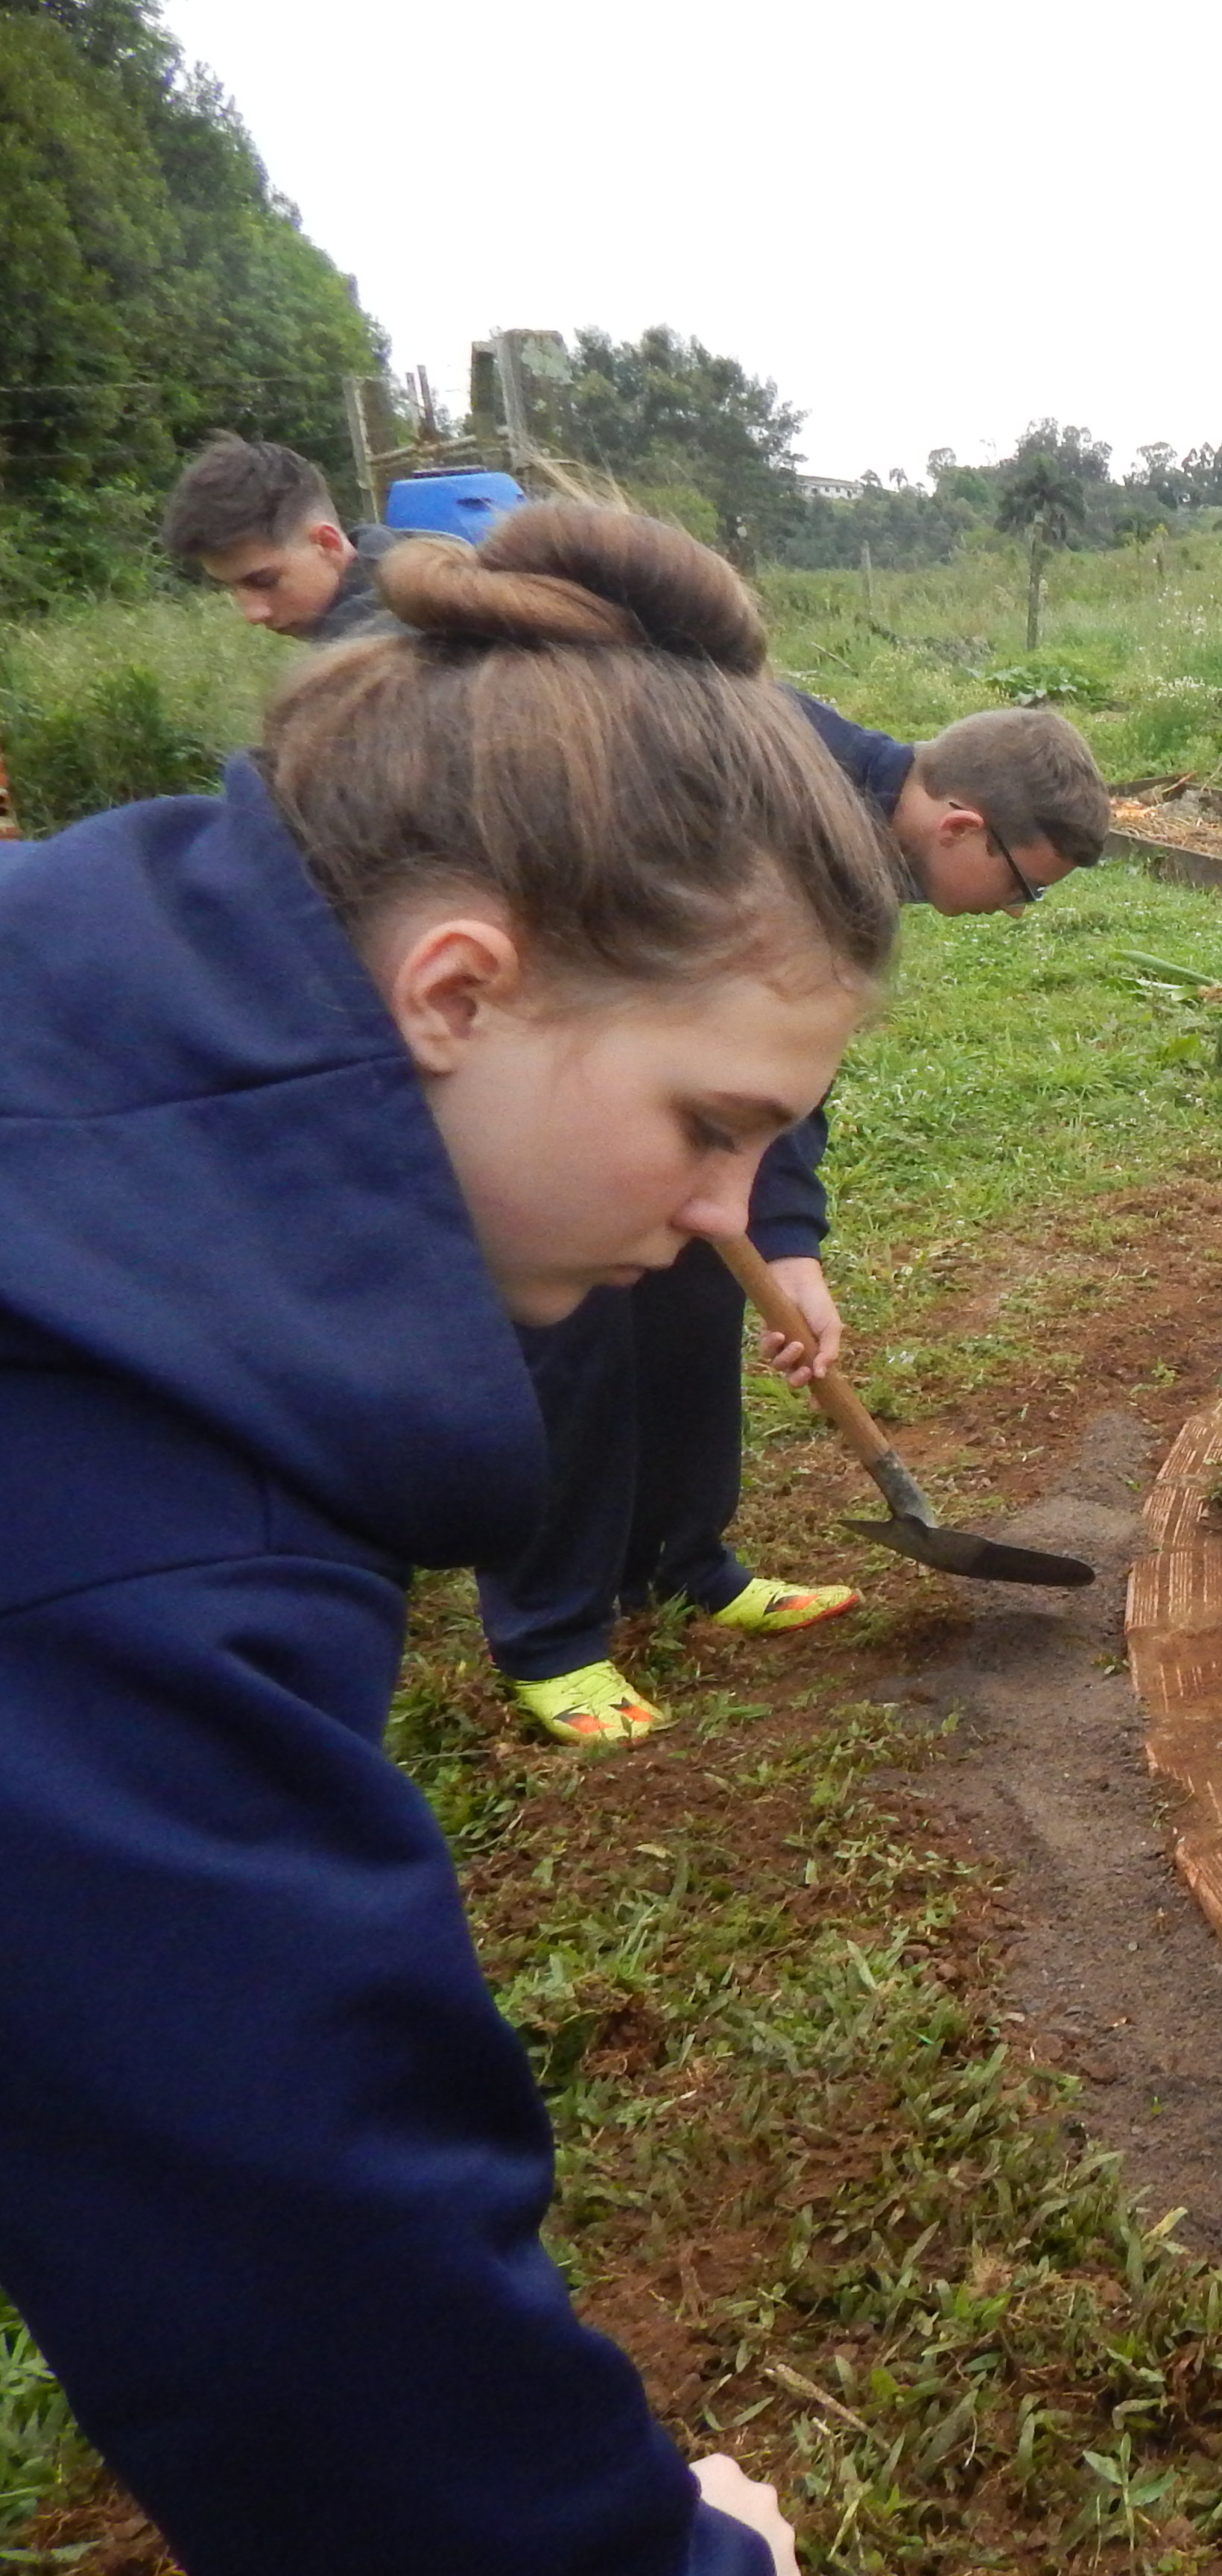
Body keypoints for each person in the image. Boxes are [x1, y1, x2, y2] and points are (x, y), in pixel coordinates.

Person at [0, 504, 904, 2570]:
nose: (716, 1223)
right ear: (458, 988)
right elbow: (291, 2266)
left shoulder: (77, 995)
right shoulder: (128, 1524)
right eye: (706, 1127)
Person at [489, 699, 1112, 1746]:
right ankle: (551, 1635)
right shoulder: (773, 798)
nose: (1017, 912)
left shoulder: (860, 852)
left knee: (693, 1300)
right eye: (1026, 887)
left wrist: (784, 1241)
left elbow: (781, 1054)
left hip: (674, 1050)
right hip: (558, 1034)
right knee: (582, 1332)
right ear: (961, 827)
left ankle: (681, 1566)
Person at [158, 432, 402, 642]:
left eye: (264, 581)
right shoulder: (416, 558)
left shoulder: (381, 661)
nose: (253, 614)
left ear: (327, 543)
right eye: (230, 587)